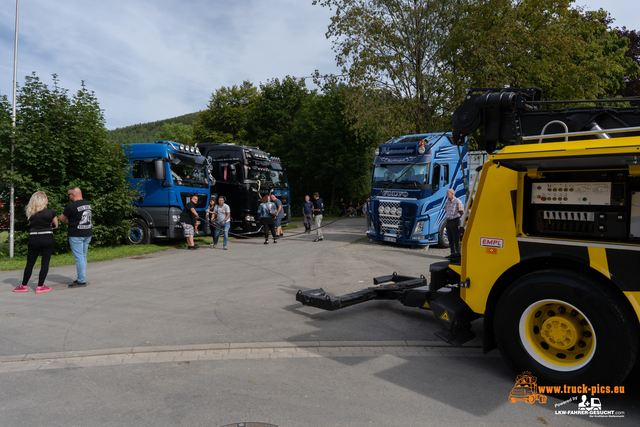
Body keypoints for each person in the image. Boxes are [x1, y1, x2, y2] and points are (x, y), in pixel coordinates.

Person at [13, 191, 58, 293]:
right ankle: (40, 286)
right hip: (47, 238)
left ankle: (23, 285)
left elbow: (32, 224)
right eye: (46, 198)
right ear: (43, 200)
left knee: (30, 263)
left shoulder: (30, 213)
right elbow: (55, 225)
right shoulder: (51, 212)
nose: (47, 199)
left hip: (34, 239)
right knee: (45, 263)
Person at [59, 186, 92, 288]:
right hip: (87, 233)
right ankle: (81, 277)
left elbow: (61, 218)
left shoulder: (71, 207)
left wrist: (69, 221)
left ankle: (81, 280)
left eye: (69, 194)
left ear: (73, 194)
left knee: (79, 258)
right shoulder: (87, 205)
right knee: (83, 256)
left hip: (76, 235)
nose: (69, 196)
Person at [444, 188, 464, 257]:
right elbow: (446, 210)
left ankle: (457, 253)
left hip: (455, 220)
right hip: (449, 221)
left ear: (452, 194)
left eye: (448, 193)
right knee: (450, 237)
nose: (446, 195)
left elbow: (462, 212)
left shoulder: (457, 201)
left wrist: (459, 221)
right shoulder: (448, 202)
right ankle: (452, 253)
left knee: (456, 238)